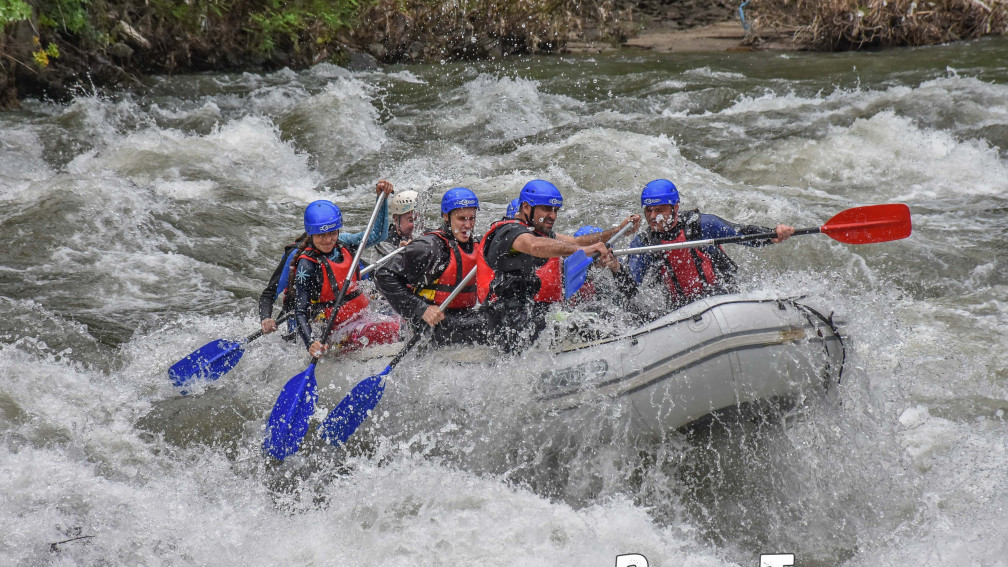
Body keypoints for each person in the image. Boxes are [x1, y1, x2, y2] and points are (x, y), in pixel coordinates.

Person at [478, 179, 641, 352]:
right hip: (507, 323)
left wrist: (617, 231)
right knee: (591, 323)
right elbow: (533, 246)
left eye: (555, 210)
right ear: (526, 208)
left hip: (532, 317)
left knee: (601, 315)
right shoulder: (508, 232)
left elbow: (577, 240)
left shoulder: (540, 233)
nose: (553, 216)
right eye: (547, 209)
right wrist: (583, 250)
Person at [626, 178, 795, 311]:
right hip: (680, 310)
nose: (653, 216)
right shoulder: (644, 243)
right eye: (648, 210)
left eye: (659, 210)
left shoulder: (700, 224)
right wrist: (614, 266)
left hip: (722, 297)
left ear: (675, 208)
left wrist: (773, 234)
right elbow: (630, 288)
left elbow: (742, 233)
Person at [258, 180, 393, 338]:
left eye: (332, 233)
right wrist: (266, 318)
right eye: (322, 235)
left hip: (346, 319)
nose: (328, 240)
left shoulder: (342, 243)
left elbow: (377, 235)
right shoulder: (296, 257)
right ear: (311, 233)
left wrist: (382, 199)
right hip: (309, 325)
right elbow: (269, 294)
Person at [374, 187, 490, 346]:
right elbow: (383, 276)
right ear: (446, 216)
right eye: (462, 218)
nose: (468, 225)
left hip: (462, 316)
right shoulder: (430, 246)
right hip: (431, 323)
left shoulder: (477, 244)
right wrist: (422, 309)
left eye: (472, 218)